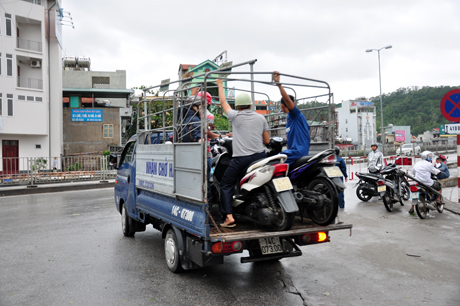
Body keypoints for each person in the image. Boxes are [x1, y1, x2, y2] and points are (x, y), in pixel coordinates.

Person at [216, 78, 270, 227]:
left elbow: (223, 102)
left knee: (226, 184)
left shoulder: (235, 116)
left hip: (241, 159)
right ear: (250, 104)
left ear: (238, 106)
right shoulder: (261, 117)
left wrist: (220, 84)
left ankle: (228, 217)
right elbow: (266, 140)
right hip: (260, 157)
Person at [273, 71, 310, 166]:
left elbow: (287, 100)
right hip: (295, 151)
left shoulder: (295, 115)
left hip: (297, 152)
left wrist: (278, 84)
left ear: (282, 106)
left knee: (273, 162)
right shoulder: (291, 120)